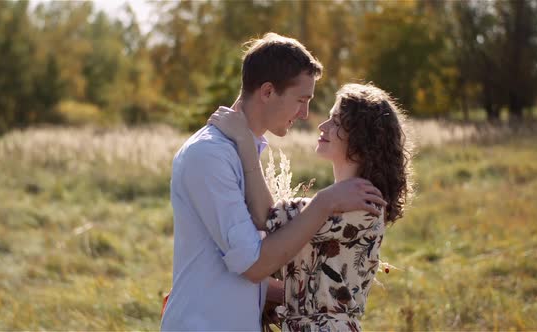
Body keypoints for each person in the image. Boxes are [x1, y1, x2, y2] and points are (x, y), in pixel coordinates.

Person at [160, 33, 386, 331]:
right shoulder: (209, 155)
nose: (305, 114)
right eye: (301, 100)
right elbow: (253, 264)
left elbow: (264, 237)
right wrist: (326, 202)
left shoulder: (245, 152)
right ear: (267, 92)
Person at [208, 83, 413, 331]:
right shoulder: (339, 200)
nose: (322, 126)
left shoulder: (362, 203)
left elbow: (266, 217)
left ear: (361, 139)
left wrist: (245, 145)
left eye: (336, 121)